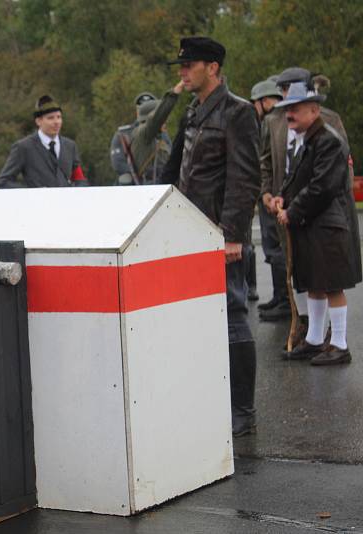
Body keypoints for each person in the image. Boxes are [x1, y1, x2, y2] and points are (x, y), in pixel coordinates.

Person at [168, 37, 260, 437]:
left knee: (233, 317)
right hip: (191, 230)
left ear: (213, 68)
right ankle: (213, 398)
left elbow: (244, 177)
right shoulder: (195, 110)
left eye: (190, 65)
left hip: (220, 234)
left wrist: (233, 235)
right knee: (199, 319)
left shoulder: (237, 112)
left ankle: (243, 410)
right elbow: (183, 171)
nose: (182, 72)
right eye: (182, 66)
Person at [260, 68, 356, 349]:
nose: (288, 109)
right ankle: (311, 336)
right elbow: (278, 167)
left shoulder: (326, 131)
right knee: (308, 278)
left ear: (312, 109)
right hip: (301, 215)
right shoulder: (282, 125)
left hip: (324, 215)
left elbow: (326, 182)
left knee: (330, 281)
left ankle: (336, 342)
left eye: (294, 103)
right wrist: (275, 196)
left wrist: (294, 209)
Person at [0, 95, 89, 188]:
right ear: (38, 121)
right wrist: (32, 193)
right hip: (36, 202)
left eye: (59, 117)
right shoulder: (23, 147)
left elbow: (79, 179)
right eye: (50, 118)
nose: (56, 122)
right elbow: (4, 182)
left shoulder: (70, 146)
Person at [249, 79, 285, 312]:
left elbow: (265, 162)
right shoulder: (283, 120)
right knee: (274, 246)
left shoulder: (271, 122)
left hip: (271, 194)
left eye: (256, 103)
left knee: (276, 247)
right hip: (275, 193)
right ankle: (280, 295)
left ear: (265, 101)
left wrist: (265, 191)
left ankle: (283, 299)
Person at [121, 82, 182, 185]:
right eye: (163, 119)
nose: (165, 121)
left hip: (160, 187)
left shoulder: (159, 138)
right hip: (150, 189)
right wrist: (173, 94)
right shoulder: (143, 133)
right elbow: (156, 119)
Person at [110, 92, 167, 184]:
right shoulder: (123, 134)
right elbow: (118, 163)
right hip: (133, 182)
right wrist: (134, 177)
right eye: (140, 108)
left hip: (158, 181)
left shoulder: (162, 134)